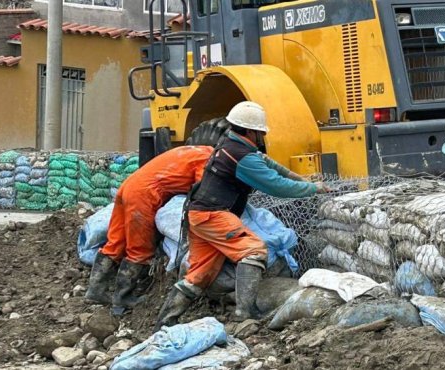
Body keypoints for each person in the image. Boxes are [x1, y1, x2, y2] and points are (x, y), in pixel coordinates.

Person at [155, 101, 329, 330]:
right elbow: (276, 185)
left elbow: (270, 164)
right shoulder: (242, 157)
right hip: (213, 214)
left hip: (198, 215)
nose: (262, 137)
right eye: (260, 133)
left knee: (199, 274)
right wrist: (313, 189)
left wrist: (302, 179)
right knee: (254, 252)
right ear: (251, 131)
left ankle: (164, 321)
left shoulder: (229, 144)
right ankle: (245, 313)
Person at [85, 145, 214, 316]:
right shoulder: (208, 160)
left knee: (116, 242)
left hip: (129, 186)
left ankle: (96, 290)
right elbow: (202, 191)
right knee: (140, 249)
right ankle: (123, 296)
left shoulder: (196, 150)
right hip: (144, 195)